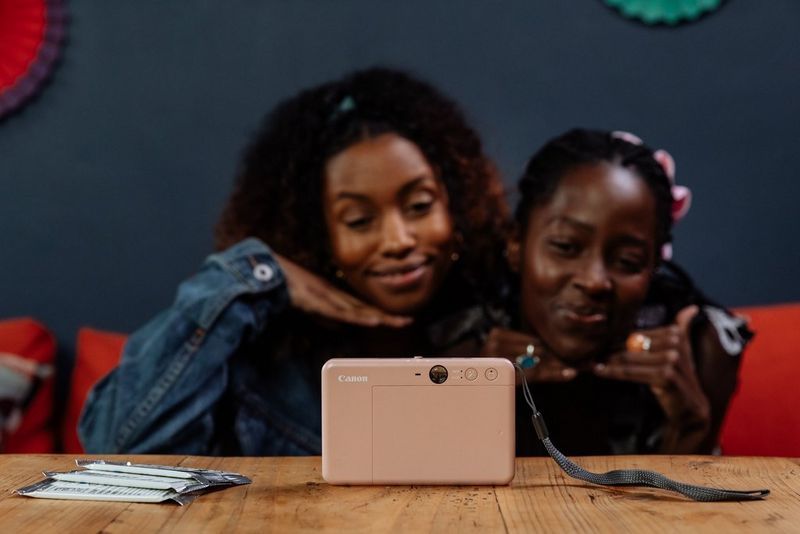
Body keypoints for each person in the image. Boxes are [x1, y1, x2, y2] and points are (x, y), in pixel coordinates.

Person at [79, 67, 509, 455]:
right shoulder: (260, 364)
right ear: (315, 236)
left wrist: (521, 369)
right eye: (359, 220)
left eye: (419, 205)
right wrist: (256, 274)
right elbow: (115, 446)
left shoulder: (500, 326)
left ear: (457, 204)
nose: (398, 240)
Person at [482, 128, 750, 455]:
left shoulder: (702, 346)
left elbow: (690, 506)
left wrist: (690, 426)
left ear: (654, 266)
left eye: (628, 261)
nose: (595, 281)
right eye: (566, 246)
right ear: (516, 243)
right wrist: (470, 402)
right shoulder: (458, 336)